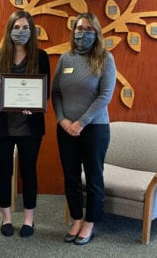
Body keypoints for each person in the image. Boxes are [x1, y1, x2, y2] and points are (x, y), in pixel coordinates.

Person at [0, 10, 50, 238]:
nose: (21, 32)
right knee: (4, 171)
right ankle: (7, 218)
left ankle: (29, 220)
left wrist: (36, 104)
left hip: (30, 127)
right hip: (2, 126)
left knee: (29, 171)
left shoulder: (40, 57)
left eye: (25, 28)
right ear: (9, 29)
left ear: (31, 31)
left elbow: (45, 92)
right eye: (17, 27)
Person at [51, 12, 116, 245]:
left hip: (94, 129)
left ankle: (90, 223)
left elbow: (105, 96)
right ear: (73, 31)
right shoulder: (65, 59)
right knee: (70, 177)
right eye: (79, 28)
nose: (83, 33)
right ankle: (76, 219)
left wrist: (81, 122)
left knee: (93, 177)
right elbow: (55, 92)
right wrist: (62, 120)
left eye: (89, 29)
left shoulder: (105, 59)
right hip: (66, 129)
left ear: (96, 33)